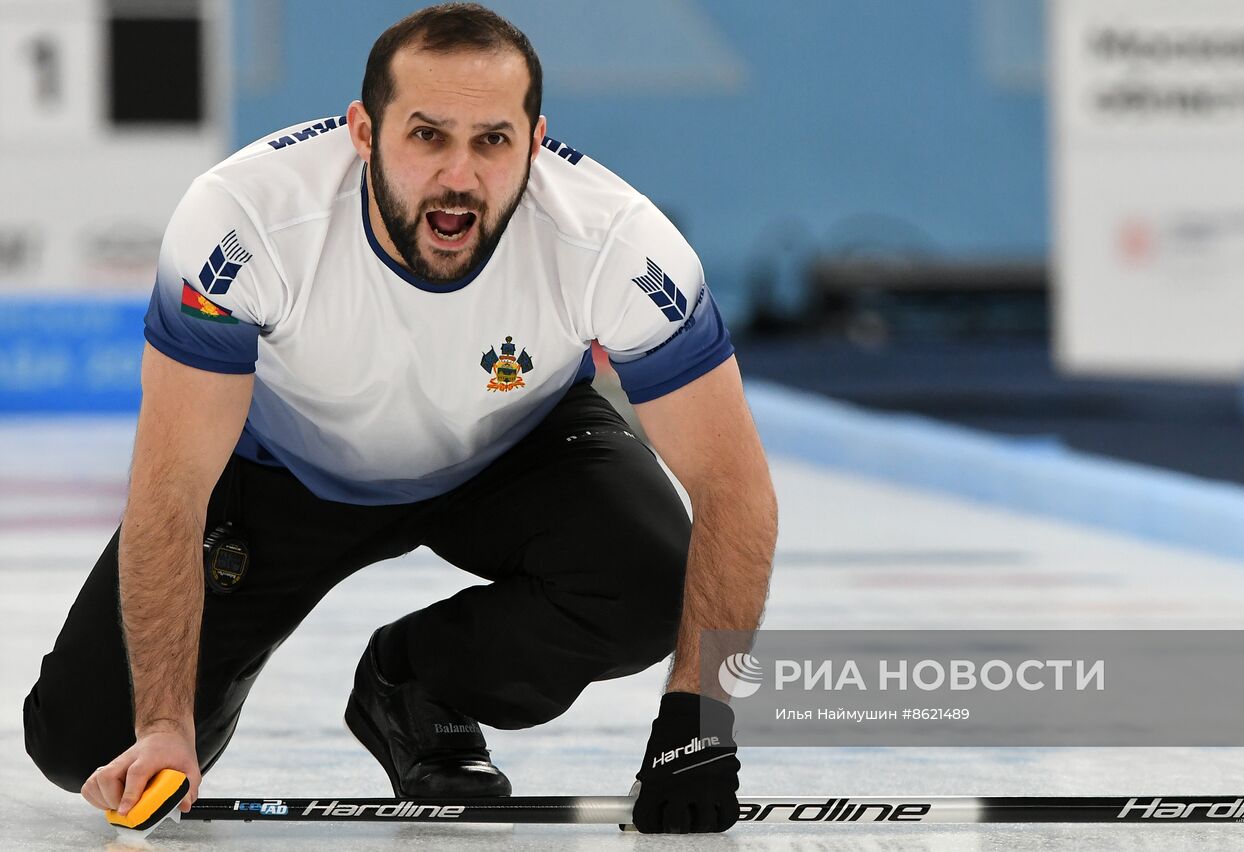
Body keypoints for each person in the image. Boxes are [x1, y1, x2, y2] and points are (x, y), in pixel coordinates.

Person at [22, 2, 777, 835]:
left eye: (493, 140)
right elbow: (169, 488)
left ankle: (416, 683)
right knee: (82, 740)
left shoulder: (617, 242)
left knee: (654, 581)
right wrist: (165, 724)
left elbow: (733, 485)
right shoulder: (243, 222)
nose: (459, 175)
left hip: (513, 449)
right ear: (362, 132)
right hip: (280, 472)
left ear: (534, 139)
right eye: (427, 136)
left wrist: (700, 721)